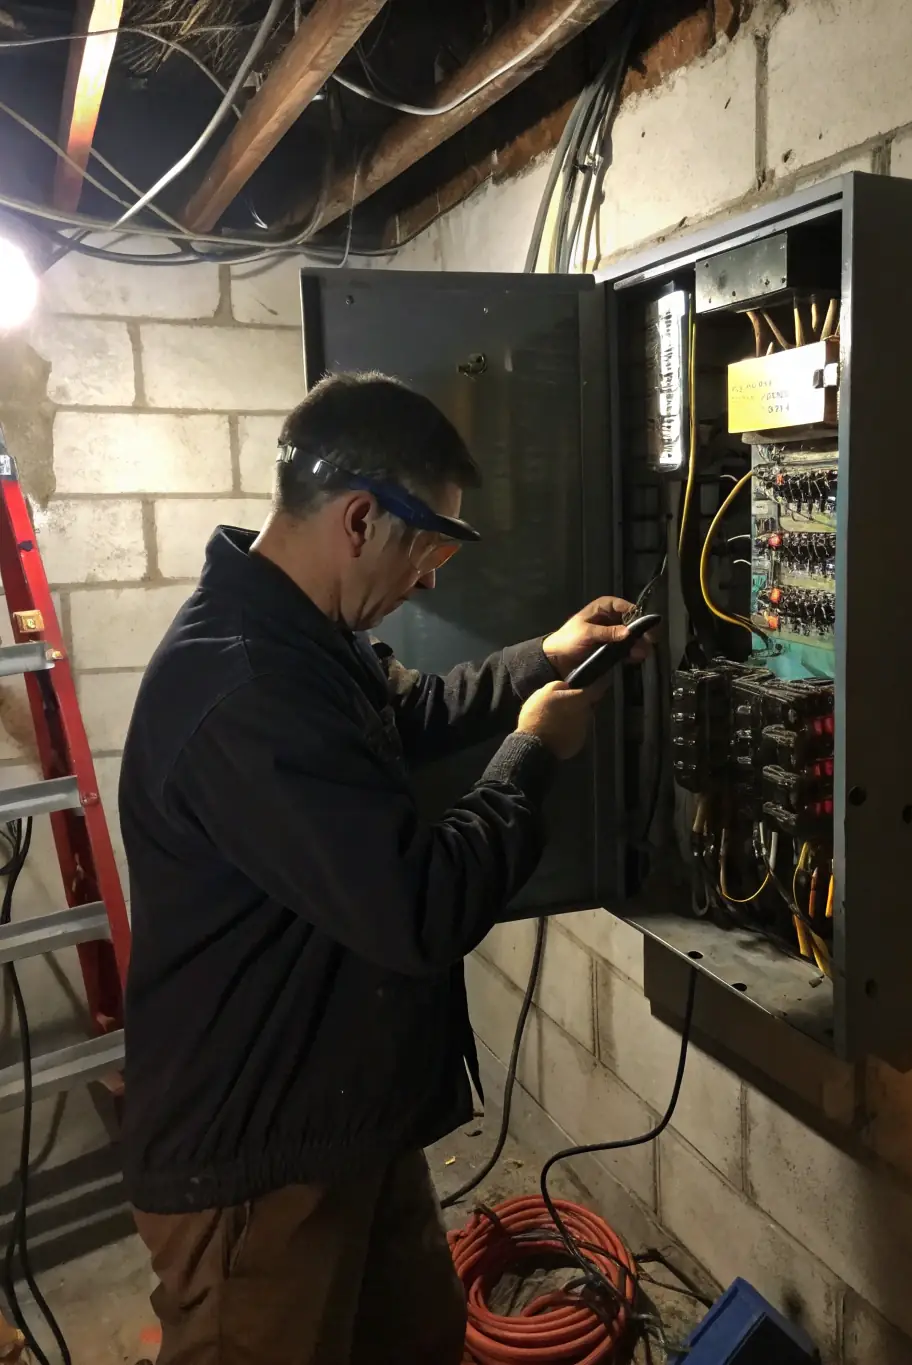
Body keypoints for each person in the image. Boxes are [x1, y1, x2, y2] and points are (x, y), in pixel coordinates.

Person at [119, 371, 647, 1365]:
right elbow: (417, 907)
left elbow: (414, 713)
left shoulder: (302, 636)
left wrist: (543, 656)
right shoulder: (241, 688)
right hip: (253, 1168)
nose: (433, 578)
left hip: (345, 1119)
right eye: (431, 545)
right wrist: (532, 754)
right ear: (361, 519)